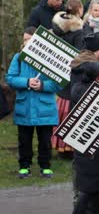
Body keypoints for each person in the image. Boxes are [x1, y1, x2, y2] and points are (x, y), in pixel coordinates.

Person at [6, 27, 62, 179]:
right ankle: (25, 166)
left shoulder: (50, 60)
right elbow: (10, 78)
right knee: (24, 140)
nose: (27, 42)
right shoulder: (18, 58)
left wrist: (43, 86)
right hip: (24, 108)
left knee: (45, 141)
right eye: (25, 39)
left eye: (31, 39)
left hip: (45, 108)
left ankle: (45, 166)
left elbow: (58, 84)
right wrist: (26, 82)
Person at [71, 61, 99, 214]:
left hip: (82, 147)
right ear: (98, 77)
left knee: (92, 189)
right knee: (89, 190)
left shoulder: (77, 90)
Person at [51, 0, 86, 154]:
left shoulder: (58, 27)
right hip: (74, 75)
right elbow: (79, 54)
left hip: (60, 73)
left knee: (62, 108)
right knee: (72, 109)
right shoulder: (78, 31)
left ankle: (60, 146)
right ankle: (71, 146)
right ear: (79, 10)